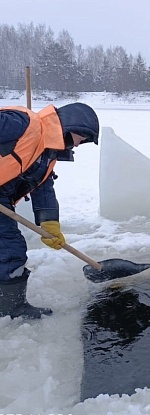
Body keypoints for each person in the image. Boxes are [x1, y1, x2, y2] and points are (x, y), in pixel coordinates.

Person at [0, 102, 100, 319]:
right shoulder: (23, 123)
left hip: (2, 196)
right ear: (73, 127)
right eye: (82, 139)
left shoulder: (46, 155)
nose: (80, 144)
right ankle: (10, 310)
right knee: (10, 248)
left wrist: (50, 223)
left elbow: (43, 189)